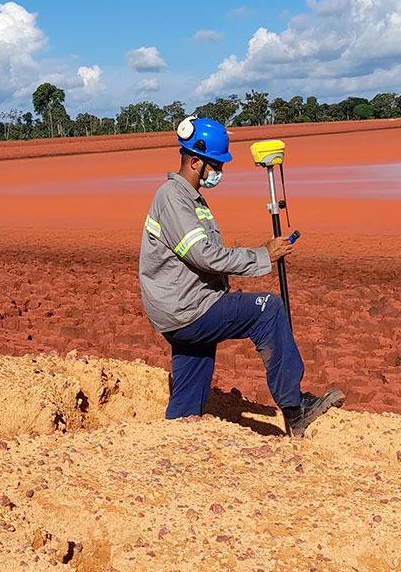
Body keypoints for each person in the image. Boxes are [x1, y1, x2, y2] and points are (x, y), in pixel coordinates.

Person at [138, 115, 344, 437]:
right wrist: (263, 256)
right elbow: (205, 255)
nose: (220, 172)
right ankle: (295, 407)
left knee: (188, 397)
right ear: (195, 162)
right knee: (269, 309)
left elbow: (203, 253)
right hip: (188, 309)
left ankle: (175, 436)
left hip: (183, 309)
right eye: (216, 166)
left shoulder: (188, 199)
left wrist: (260, 254)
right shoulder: (173, 199)